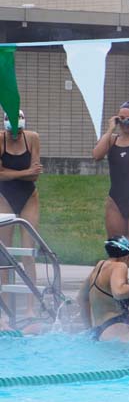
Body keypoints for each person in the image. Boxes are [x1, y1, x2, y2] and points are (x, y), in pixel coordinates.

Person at [91, 100, 129, 322]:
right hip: (115, 202)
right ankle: (116, 306)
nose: (123, 122)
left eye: (127, 118)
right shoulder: (112, 139)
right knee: (117, 258)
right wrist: (110, 129)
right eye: (120, 118)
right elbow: (96, 155)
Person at [0, 110, 42, 316]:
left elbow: (35, 176)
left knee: (28, 254)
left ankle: (31, 308)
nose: (15, 136)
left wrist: (11, 174)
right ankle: (6, 308)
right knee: (5, 254)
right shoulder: (0, 139)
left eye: (18, 132)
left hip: (29, 198)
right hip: (4, 198)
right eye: (11, 133)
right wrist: (25, 173)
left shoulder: (32, 138)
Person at [75, 236, 129, 341]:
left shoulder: (99, 266)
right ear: (126, 256)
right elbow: (119, 292)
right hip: (116, 327)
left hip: (98, 331)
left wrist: (89, 328)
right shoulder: (120, 266)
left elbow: (81, 298)